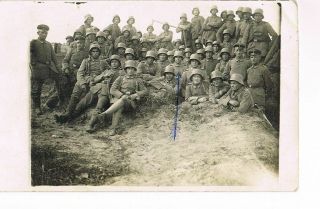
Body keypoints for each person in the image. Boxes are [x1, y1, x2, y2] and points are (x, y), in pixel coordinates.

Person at [91, 60, 147, 135]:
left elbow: (145, 91)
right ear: (126, 70)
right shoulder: (121, 78)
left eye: (132, 69)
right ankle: (113, 129)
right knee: (120, 105)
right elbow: (112, 90)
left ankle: (104, 115)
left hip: (131, 103)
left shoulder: (138, 80)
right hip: (120, 100)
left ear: (134, 70)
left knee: (122, 100)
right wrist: (121, 95)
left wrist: (136, 95)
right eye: (128, 68)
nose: (130, 70)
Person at [54, 43, 108, 123]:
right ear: (90, 52)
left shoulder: (103, 62)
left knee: (86, 99)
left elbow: (108, 71)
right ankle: (67, 113)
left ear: (99, 52)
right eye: (93, 51)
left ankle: (70, 116)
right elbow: (80, 73)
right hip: (86, 79)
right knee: (76, 90)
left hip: (97, 82)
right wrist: (83, 83)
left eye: (97, 51)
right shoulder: (85, 61)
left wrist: (99, 78)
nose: (95, 53)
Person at [85, 55, 125, 132]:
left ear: (119, 63)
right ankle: (90, 125)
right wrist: (103, 77)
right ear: (110, 63)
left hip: (115, 94)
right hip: (105, 94)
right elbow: (94, 80)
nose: (114, 64)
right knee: (99, 107)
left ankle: (111, 127)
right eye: (112, 62)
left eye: (116, 62)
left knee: (114, 109)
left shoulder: (122, 72)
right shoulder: (106, 71)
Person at [30, 24, 63, 115]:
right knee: (36, 88)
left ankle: (57, 102)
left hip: (49, 68)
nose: (44, 34)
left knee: (60, 80)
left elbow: (54, 58)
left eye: (46, 33)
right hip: (38, 68)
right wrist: (34, 65)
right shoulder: (33, 43)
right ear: (38, 33)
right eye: (42, 32)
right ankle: (37, 107)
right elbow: (30, 56)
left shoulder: (48, 44)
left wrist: (58, 69)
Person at [60, 35, 88, 101]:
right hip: (69, 71)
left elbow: (86, 64)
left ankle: (72, 99)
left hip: (79, 72)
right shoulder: (72, 51)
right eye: (78, 43)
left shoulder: (86, 53)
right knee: (63, 83)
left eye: (81, 43)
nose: (79, 44)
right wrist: (66, 68)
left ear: (84, 44)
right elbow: (65, 60)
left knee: (76, 86)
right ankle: (61, 100)